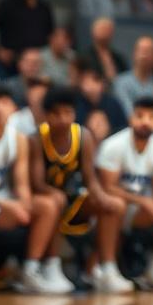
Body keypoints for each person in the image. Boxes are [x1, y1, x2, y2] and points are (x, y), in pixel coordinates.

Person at [0, 87, 62, 296]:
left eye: (4, 103)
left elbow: (22, 183)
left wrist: (24, 204)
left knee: (47, 205)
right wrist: (9, 205)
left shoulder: (18, 139)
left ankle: (30, 270)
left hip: (2, 205)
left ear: (14, 109)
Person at [28, 86, 124, 292]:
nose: (63, 119)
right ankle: (50, 267)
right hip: (44, 198)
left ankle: (106, 268)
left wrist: (102, 198)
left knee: (113, 206)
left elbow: (91, 179)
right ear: (46, 115)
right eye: (56, 114)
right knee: (56, 202)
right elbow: (36, 183)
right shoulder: (36, 138)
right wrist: (54, 193)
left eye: (68, 113)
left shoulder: (83, 136)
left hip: (73, 197)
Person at [95, 97, 153, 292]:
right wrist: (144, 201)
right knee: (116, 203)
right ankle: (107, 269)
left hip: (137, 209)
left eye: (151, 117)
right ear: (130, 118)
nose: (145, 121)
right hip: (110, 206)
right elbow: (107, 187)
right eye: (140, 116)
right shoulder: (114, 145)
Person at [111, 36, 153, 119]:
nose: (145, 54)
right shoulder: (121, 82)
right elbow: (127, 111)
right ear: (134, 53)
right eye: (142, 50)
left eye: (149, 51)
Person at [79, 17, 128, 83]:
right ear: (93, 32)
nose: (105, 32)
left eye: (108, 29)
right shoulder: (84, 57)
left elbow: (126, 77)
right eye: (102, 29)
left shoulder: (118, 58)